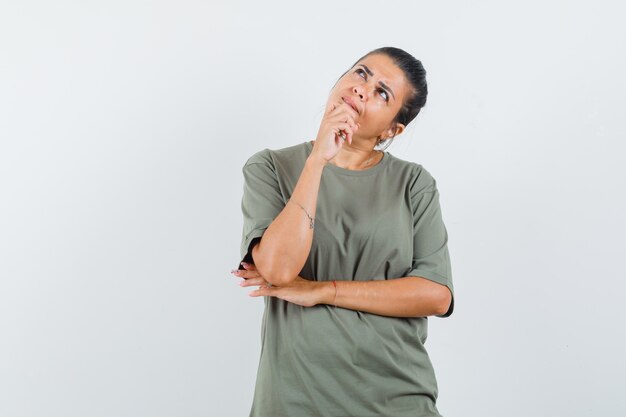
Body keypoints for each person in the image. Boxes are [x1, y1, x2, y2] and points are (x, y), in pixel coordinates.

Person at [231, 46, 454, 417]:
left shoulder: (413, 183)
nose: (363, 88)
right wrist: (318, 159)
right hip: (294, 399)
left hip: (395, 399)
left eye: (383, 92)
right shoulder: (270, 167)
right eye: (361, 73)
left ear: (391, 129)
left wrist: (321, 290)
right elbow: (277, 270)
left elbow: (435, 295)